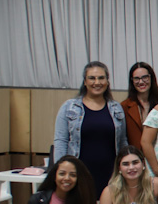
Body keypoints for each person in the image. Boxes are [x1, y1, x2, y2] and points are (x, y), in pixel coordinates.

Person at [53, 61, 127, 197]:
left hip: (110, 175)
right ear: (85, 82)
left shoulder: (116, 108)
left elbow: (122, 142)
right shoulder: (69, 107)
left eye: (101, 78)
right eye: (92, 78)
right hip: (78, 174)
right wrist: (61, 171)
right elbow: (61, 141)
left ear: (107, 82)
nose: (97, 82)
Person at [122, 62, 158, 148]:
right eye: (136, 78)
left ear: (151, 78)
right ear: (132, 81)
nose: (141, 82)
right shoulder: (124, 106)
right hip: (136, 154)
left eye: (145, 77)